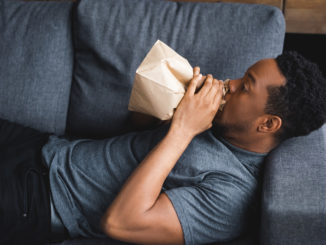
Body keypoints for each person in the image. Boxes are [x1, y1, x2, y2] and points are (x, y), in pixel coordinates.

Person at [1, 51, 326, 245]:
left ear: (267, 124)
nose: (230, 84)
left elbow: (121, 223)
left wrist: (184, 128)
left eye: (245, 86)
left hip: (39, 200)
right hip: (45, 147)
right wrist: (169, 100)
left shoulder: (231, 195)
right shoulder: (218, 122)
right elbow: (135, 130)